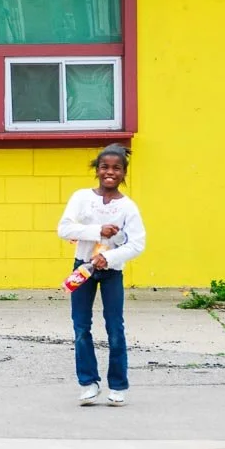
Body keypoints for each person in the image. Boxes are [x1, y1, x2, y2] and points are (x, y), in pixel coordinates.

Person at [58, 144, 146, 407]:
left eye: (116, 168)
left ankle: (117, 386)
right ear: (97, 170)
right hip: (83, 269)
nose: (110, 172)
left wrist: (108, 257)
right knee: (81, 327)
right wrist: (99, 232)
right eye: (105, 167)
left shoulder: (128, 207)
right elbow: (64, 228)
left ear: (124, 172)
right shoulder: (82, 197)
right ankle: (88, 383)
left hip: (111, 272)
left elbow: (137, 244)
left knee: (115, 328)